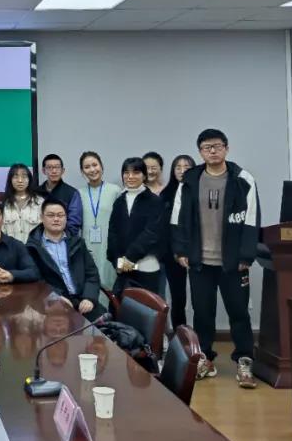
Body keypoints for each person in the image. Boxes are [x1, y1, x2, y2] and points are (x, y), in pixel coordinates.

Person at [171, 128, 260, 389]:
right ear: (200, 152)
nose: (212, 151)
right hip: (200, 261)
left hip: (233, 262)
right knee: (202, 313)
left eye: (217, 146)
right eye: (207, 147)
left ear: (226, 148)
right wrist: (181, 251)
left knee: (239, 312)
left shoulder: (243, 179)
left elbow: (252, 218)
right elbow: (178, 217)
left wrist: (246, 255)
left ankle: (244, 360)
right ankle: (205, 359)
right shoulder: (190, 179)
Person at [26, 199, 106, 319]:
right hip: (52, 304)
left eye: (60, 215)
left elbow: (92, 274)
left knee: (109, 327)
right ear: (41, 218)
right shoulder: (33, 248)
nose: (56, 219)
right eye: (51, 215)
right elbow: (36, 281)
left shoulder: (78, 243)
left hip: (83, 301)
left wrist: (89, 298)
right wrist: (56, 296)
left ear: (66, 217)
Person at [107, 157, 165, 297]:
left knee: (146, 307)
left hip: (146, 265)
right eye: (126, 173)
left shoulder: (154, 201)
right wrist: (117, 260)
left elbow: (152, 233)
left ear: (144, 175)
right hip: (124, 267)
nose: (130, 176)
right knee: (121, 307)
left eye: (136, 172)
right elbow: (113, 233)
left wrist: (130, 257)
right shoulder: (119, 201)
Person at [77, 150, 122, 290]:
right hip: (87, 245)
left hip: (109, 246)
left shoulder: (115, 191)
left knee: (110, 282)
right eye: (87, 167)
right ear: (82, 171)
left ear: (101, 166)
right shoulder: (78, 193)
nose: (92, 170)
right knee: (90, 281)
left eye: (95, 165)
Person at [162, 154, 196, 332]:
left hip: (198, 251)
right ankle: (179, 332)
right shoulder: (166, 193)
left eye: (187, 167)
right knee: (178, 296)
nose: (182, 171)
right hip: (172, 253)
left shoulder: (199, 191)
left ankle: (198, 336)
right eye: (178, 167)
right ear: (172, 170)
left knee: (200, 297)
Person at [1, 163, 43, 243]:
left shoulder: (40, 202)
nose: (20, 180)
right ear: (10, 180)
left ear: (29, 179)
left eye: (24, 176)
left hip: (33, 249)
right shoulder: (4, 204)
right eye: (16, 177)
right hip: (11, 249)